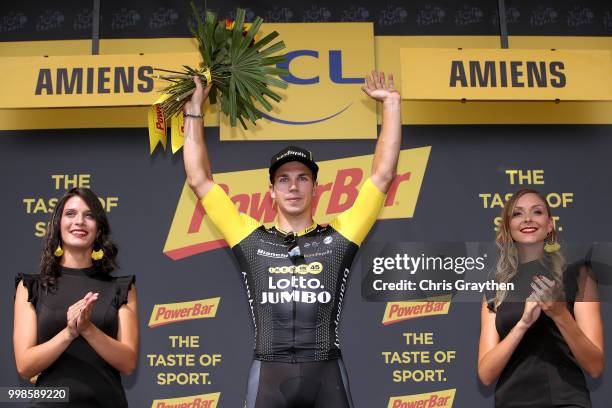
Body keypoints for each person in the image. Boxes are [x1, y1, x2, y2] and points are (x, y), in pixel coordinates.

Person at [182, 71, 401, 407]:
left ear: (316, 187)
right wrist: (194, 111)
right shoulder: (250, 238)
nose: (294, 186)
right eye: (283, 180)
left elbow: (382, 176)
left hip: (326, 372)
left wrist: (392, 105)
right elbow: (200, 180)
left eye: (302, 178)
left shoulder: (340, 236)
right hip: (269, 373)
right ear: (271, 191)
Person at [478, 189, 604, 407]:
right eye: (517, 214)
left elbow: (595, 366)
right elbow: (486, 374)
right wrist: (523, 324)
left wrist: (560, 314)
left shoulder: (577, 276)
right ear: (507, 227)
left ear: (550, 225)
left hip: (566, 401)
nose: (527, 219)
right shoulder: (495, 289)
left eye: (537, 212)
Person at [13, 187, 139, 407]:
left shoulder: (120, 288)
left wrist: (88, 329)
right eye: (70, 214)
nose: (79, 221)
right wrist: (70, 332)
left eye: (89, 215)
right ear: (58, 225)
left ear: (98, 227)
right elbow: (25, 366)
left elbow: (128, 362)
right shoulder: (32, 286)